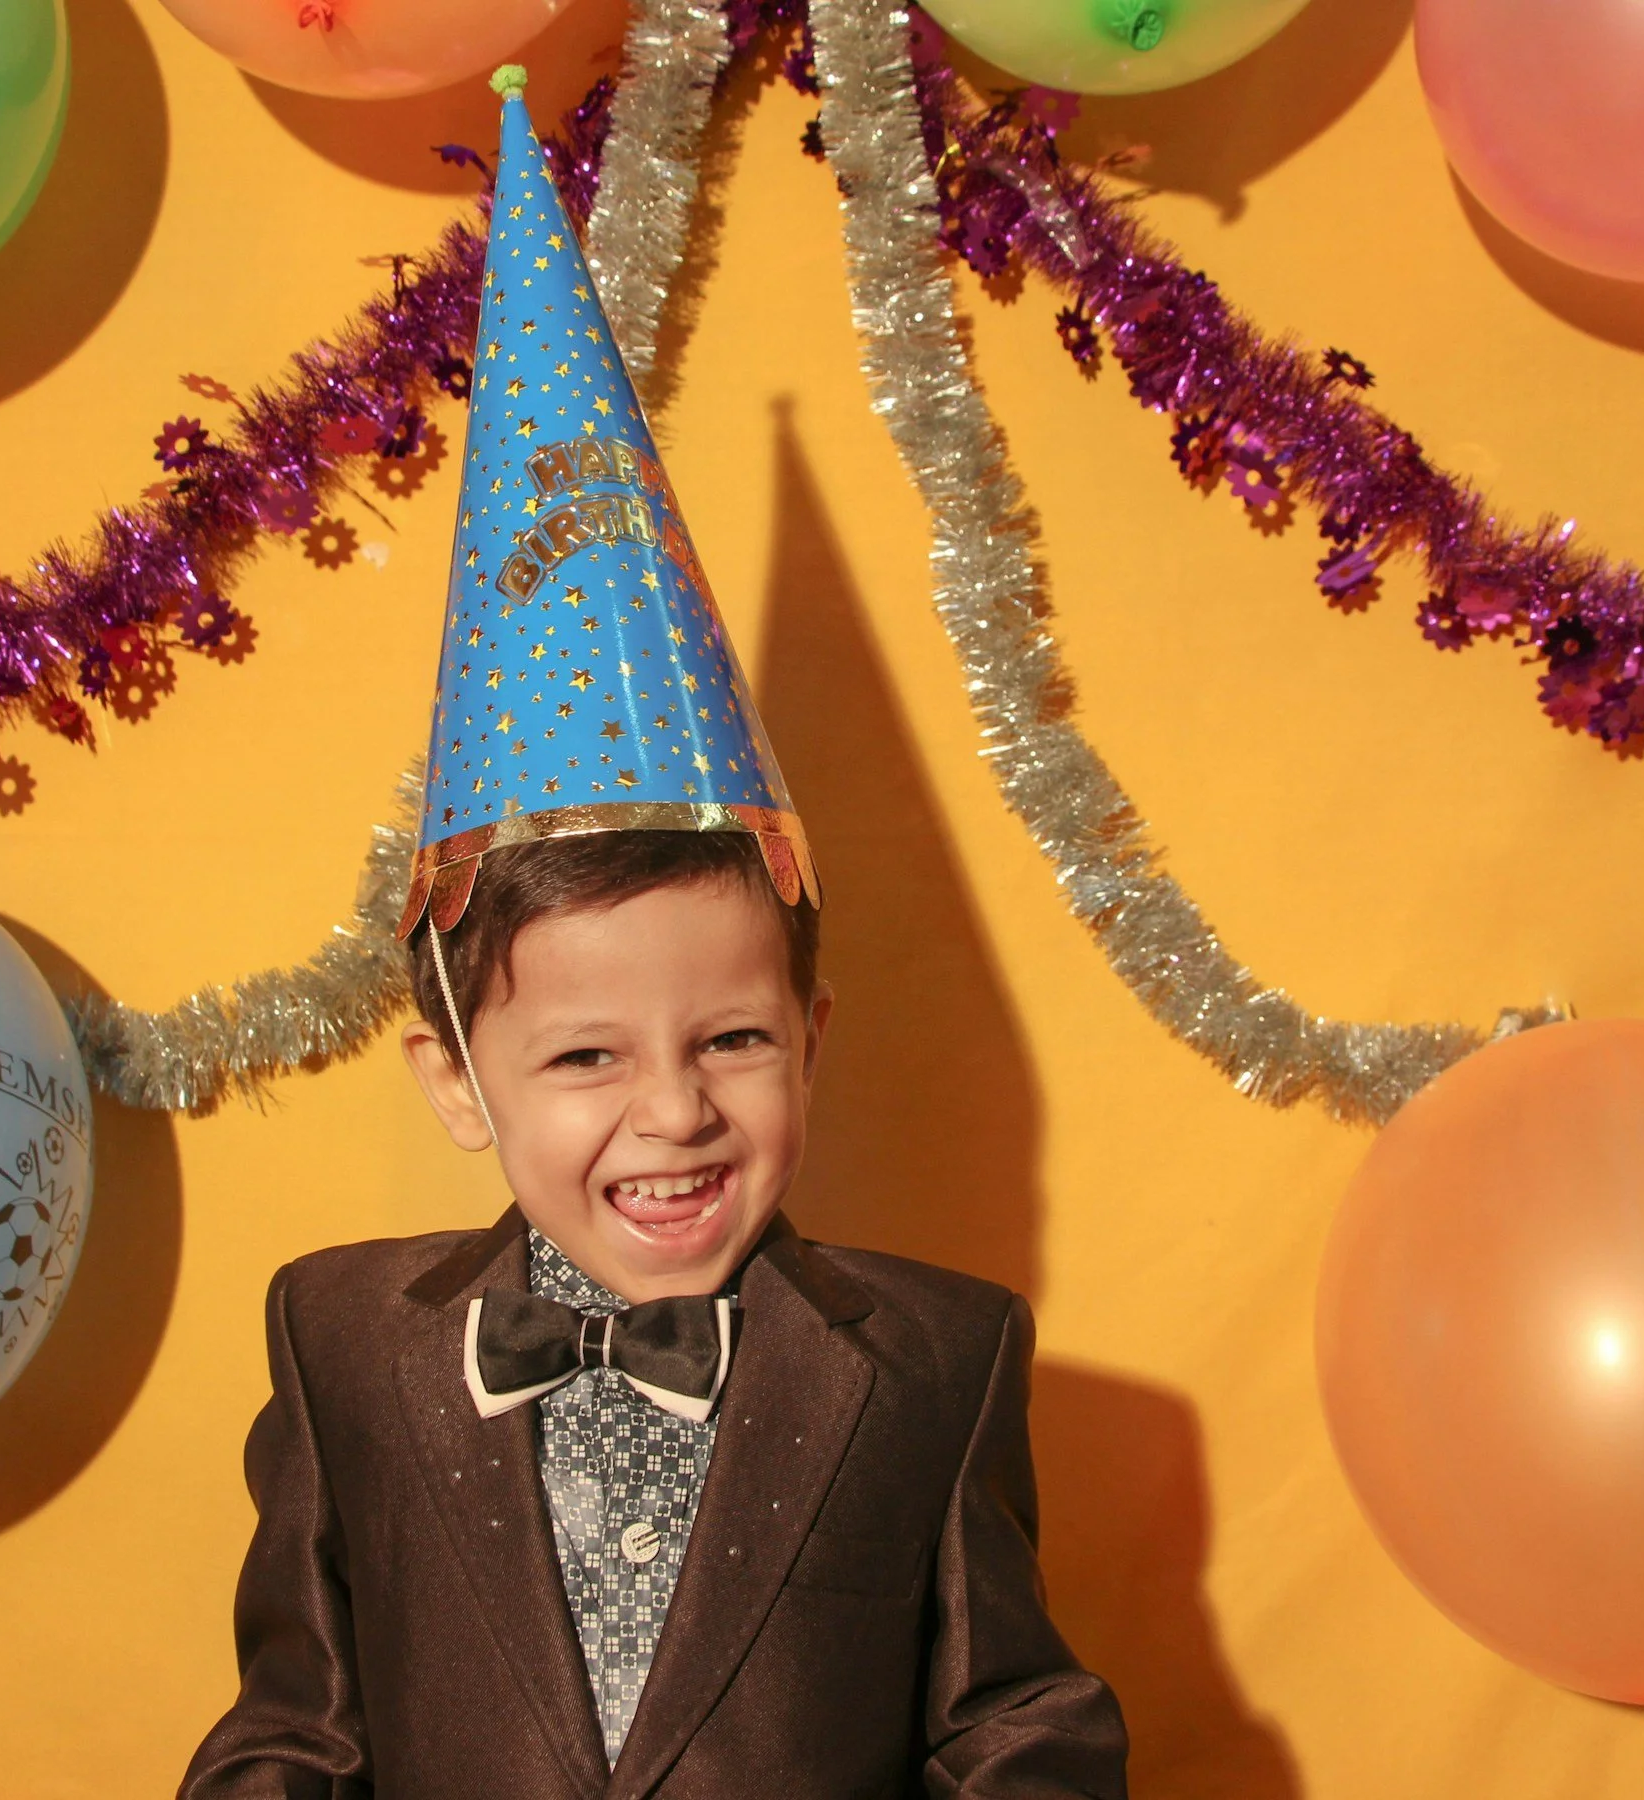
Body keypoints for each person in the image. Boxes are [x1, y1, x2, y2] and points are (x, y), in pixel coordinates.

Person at [178, 65, 1128, 1800]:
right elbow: (294, 1722)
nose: (675, 1113)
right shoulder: (346, 1347)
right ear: (458, 1079)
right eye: (586, 1055)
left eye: (734, 1040)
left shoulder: (935, 1360)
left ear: (813, 1036)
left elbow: (1016, 1720)